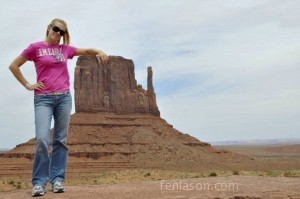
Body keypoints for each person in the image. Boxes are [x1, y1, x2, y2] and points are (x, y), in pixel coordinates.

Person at [9, 18, 108, 197]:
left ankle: (57, 180)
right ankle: (39, 183)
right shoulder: (35, 48)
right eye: (56, 29)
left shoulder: (65, 50)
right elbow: (14, 65)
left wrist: (99, 51)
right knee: (41, 140)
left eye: (62, 32)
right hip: (43, 99)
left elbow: (85, 50)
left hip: (63, 98)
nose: (58, 34)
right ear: (48, 28)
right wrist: (27, 84)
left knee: (60, 140)